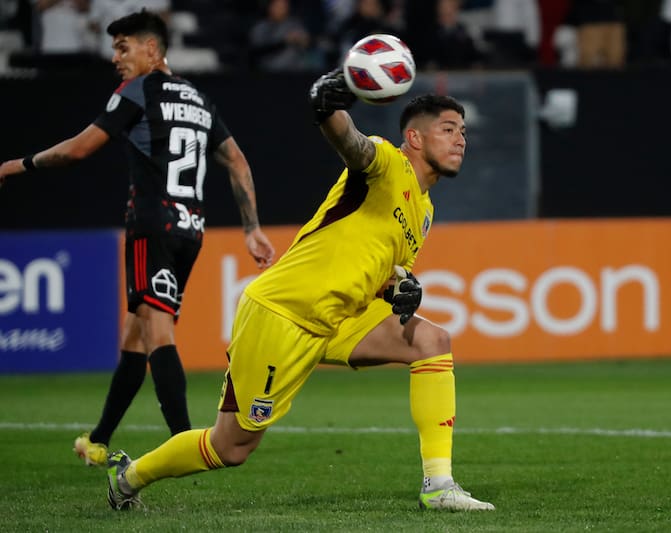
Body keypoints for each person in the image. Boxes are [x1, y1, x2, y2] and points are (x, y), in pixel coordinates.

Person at [101, 70, 495, 512]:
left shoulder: (423, 211)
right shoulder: (387, 161)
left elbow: (382, 271)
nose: (461, 139)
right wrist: (327, 107)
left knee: (432, 341)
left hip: (338, 317)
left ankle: (438, 485)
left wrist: (402, 287)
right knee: (231, 447)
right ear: (415, 138)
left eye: (462, 131)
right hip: (283, 312)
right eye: (448, 129)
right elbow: (351, 143)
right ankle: (129, 475)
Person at [0, 9, 275, 467]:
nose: (116, 58)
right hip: (190, 230)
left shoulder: (138, 91)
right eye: (114, 48)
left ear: (153, 49)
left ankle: (187, 445)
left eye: (123, 47)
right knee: (136, 334)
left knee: (157, 330)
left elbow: (79, 149)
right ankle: (100, 438)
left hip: (152, 225)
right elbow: (238, 162)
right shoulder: (199, 99)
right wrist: (251, 229)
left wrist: (16, 165)